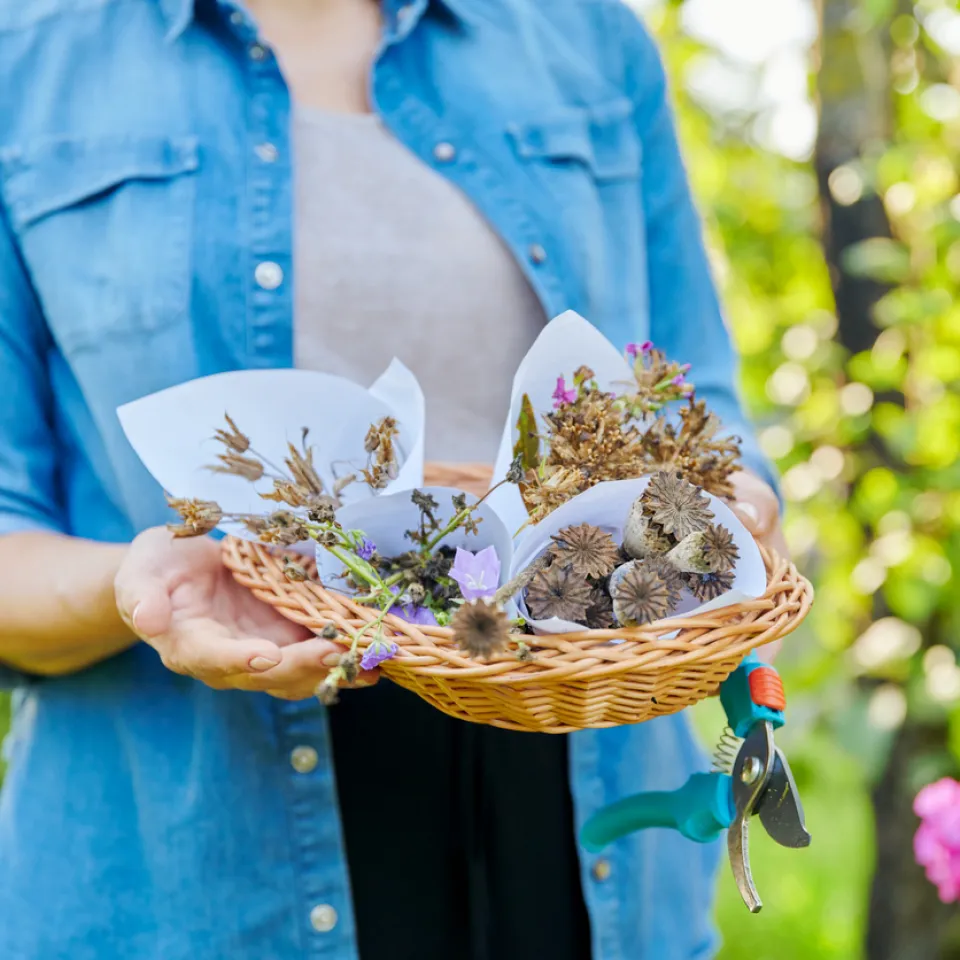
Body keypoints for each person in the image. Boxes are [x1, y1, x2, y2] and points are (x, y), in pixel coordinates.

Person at [0, 0, 784, 957]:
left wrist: (732, 510)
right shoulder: (29, 63)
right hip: (194, 851)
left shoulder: (584, 41)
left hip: (579, 791)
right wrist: (145, 586)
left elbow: (696, 399)